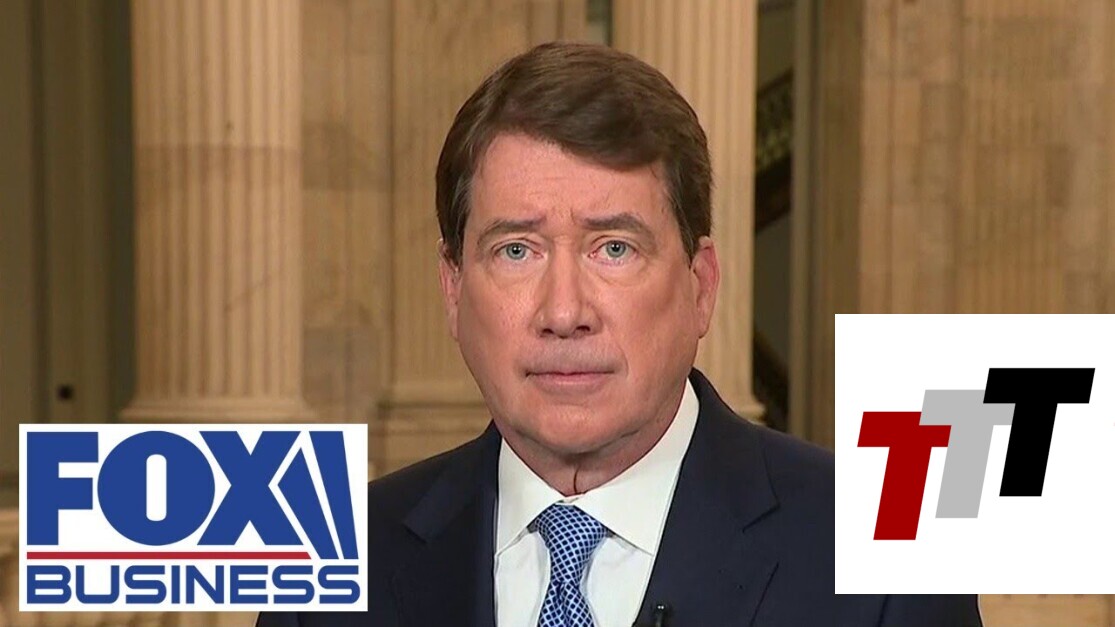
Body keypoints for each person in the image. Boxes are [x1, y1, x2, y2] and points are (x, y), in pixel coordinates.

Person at [258, 42, 982, 627]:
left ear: (700, 284)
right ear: (453, 290)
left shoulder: (888, 560)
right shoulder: (329, 575)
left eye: (613, 248)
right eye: (516, 250)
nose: (564, 310)